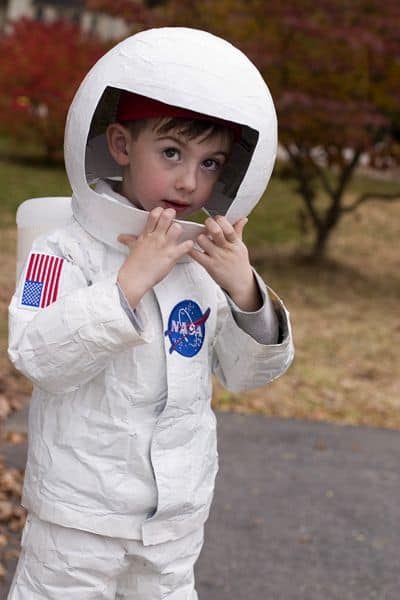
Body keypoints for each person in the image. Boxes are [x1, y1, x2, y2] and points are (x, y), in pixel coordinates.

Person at [7, 27, 294, 599]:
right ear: (120, 145)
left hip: (173, 522)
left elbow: (245, 373)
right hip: (77, 521)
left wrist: (245, 295)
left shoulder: (203, 261)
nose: (190, 180)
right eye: (171, 153)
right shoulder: (61, 251)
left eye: (211, 163)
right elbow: (38, 357)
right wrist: (127, 283)